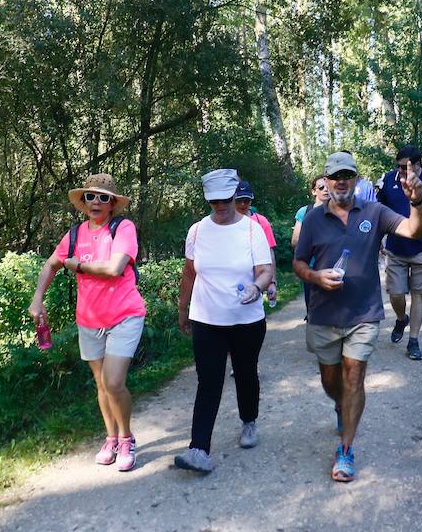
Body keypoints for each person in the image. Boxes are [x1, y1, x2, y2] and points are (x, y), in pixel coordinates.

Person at [293, 150, 422, 483]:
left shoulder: (374, 211)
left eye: (347, 175)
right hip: (323, 315)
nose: (341, 181)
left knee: (354, 378)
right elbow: (297, 264)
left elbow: (413, 231)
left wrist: (417, 202)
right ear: (324, 181)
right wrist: (315, 277)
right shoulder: (312, 220)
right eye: (335, 176)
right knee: (331, 383)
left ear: (355, 178)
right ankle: (341, 407)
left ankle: (346, 449)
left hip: (363, 314)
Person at [28, 174, 146, 472]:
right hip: (90, 319)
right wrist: (37, 298)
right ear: (83, 202)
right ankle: (111, 438)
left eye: (104, 197)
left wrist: (78, 265)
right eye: (91, 197)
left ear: (113, 204)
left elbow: (114, 268)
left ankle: (127, 438)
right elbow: (51, 264)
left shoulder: (123, 228)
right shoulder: (75, 234)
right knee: (100, 384)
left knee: (113, 381)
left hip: (124, 315)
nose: (96, 202)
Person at [175, 169, 274, 474]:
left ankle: (249, 422)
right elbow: (190, 272)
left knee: (245, 373)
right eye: (213, 201)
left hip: (247, 319)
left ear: (234, 196)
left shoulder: (251, 230)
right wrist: (183, 308)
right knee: (209, 381)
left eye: (225, 199)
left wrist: (257, 288)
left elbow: (265, 270)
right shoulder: (197, 231)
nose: (220, 205)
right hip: (207, 318)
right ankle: (199, 448)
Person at [378, 145, 422, 361]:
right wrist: (378, 241)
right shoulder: (388, 180)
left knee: (419, 293)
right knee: (396, 293)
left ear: (418, 164)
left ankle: (414, 341)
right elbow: (377, 211)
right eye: (398, 166)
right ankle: (401, 318)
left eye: (405, 167)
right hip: (396, 247)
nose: (400, 170)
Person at [234, 180, 278, 304]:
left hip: (258, 280)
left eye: (246, 201)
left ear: (251, 200)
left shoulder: (261, 221)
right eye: (239, 200)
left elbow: (270, 253)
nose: (243, 204)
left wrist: (272, 282)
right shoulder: (226, 223)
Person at [292, 175, 330, 311]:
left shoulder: (338, 211)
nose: (326, 190)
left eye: (328, 187)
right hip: (311, 267)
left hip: (333, 266)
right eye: (321, 187)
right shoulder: (305, 212)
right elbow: (295, 240)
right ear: (314, 191)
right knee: (313, 309)